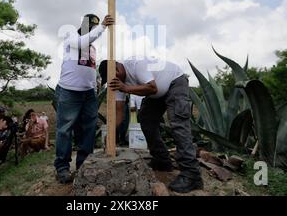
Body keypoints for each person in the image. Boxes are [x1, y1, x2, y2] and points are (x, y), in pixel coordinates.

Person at [99, 57, 203, 193]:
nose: (113, 81)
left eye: (113, 77)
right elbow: (119, 113)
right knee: (146, 119)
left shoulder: (137, 65)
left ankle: (192, 174)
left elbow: (152, 87)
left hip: (175, 82)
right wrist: (111, 133)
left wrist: (126, 88)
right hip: (157, 93)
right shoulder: (117, 83)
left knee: (178, 124)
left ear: (117, 69)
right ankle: (162, 160)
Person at [54, 13, 114, 184]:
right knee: (65, 130)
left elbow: (88, 68)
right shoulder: (71, 36)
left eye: (94, 26)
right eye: (89, 25)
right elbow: (82, 42)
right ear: (82, 24)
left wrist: (96, 82)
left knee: (89, 129)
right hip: (69, 91)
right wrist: (103, 27)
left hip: (89, 94)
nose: (92, 28)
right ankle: (62, 168)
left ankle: (84, 164)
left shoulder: (92, 48)